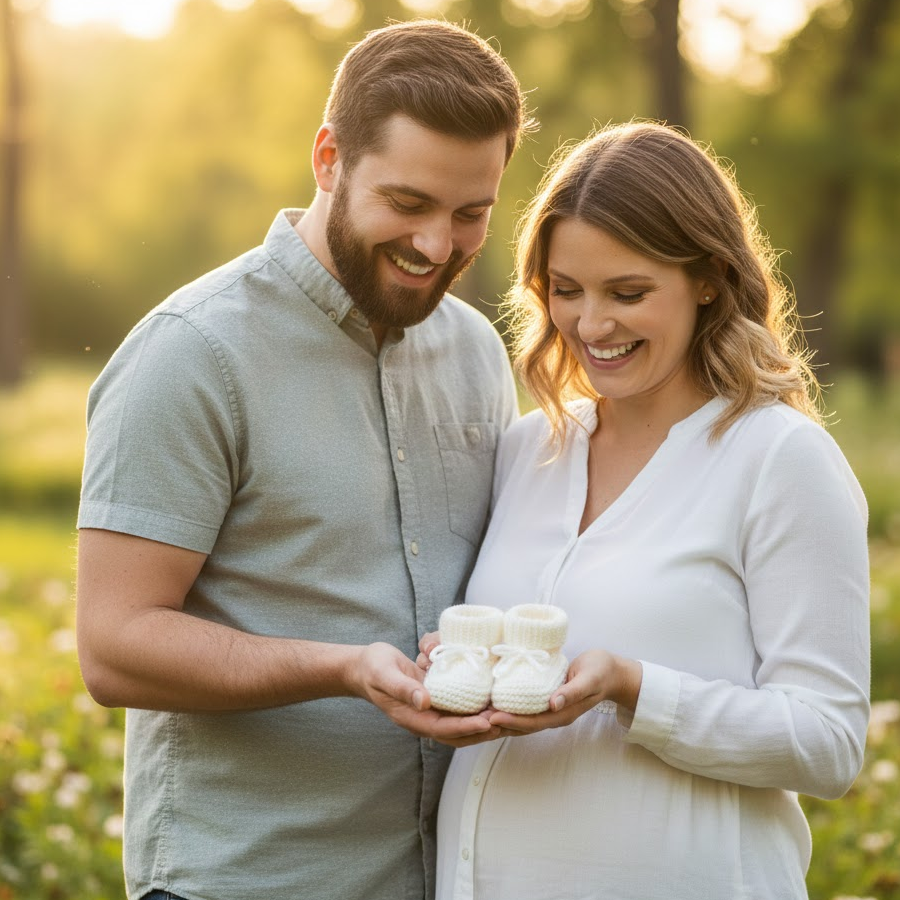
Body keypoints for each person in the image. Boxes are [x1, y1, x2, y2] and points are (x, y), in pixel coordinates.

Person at [75, 19, 535, 900]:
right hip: (244, 879)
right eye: (407, 204)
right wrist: (344, 668)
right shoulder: (193, 353)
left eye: (470, 213)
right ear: (329, 158)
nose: (438, 246)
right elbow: (114, 647)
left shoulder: (477, 352)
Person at [429, 122, 871, 900]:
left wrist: (633, 689)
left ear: (707, 277)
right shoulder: (529, 450)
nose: (592, 325)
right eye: (566, 291)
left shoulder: (778, 460)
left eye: (627, 293)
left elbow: (828, 745)